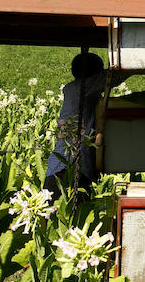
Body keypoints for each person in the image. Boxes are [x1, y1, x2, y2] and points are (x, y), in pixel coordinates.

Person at [43, 50, 113, 200]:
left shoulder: (75, 89)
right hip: (65, 171)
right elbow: (111, 77)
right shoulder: (82, 88)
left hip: (63, 168)